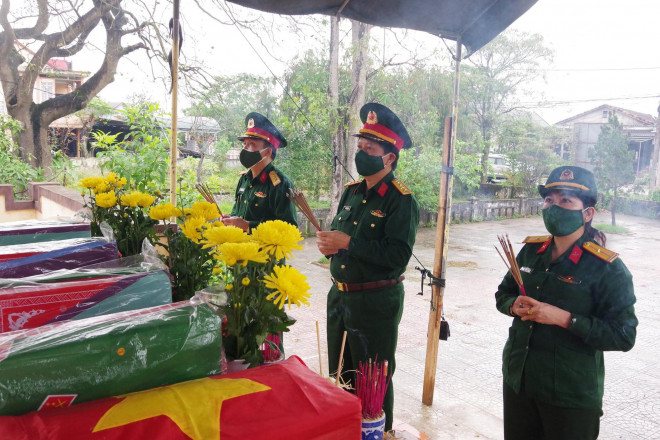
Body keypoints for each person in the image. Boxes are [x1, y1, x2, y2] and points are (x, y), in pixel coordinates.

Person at [495, 166, 638, 440]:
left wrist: (564, 318)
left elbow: (624, 335)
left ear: (587, 213)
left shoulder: (607, 268)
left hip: (569, 395)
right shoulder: (530, 251)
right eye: (549, 200)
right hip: (520, 380)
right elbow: (503, 294)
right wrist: (513, 306)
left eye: (565, 201)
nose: (554, 207)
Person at [317, 103, 419, 432]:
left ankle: (379, 433)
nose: (361, 153)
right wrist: (330, 245)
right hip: (341, 298)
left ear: (389, 157)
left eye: (369, 148)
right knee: (341, 372)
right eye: (360, 147)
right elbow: (340, 237)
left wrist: (347, 243)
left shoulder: (401, 200)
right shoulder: (351, 193)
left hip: (376, 303)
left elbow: (396, 256)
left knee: (373, 378)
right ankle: (347, 431)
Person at [222, 112, 297, 232]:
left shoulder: (280, 184)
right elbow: (237, 210)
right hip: (241, 248)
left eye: (252, 144)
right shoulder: (244, 179)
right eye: (245, 144)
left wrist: (248, 226)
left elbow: (289, 228)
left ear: (267, 152)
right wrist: (231, 219)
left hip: (265, 250)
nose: (245, 148)